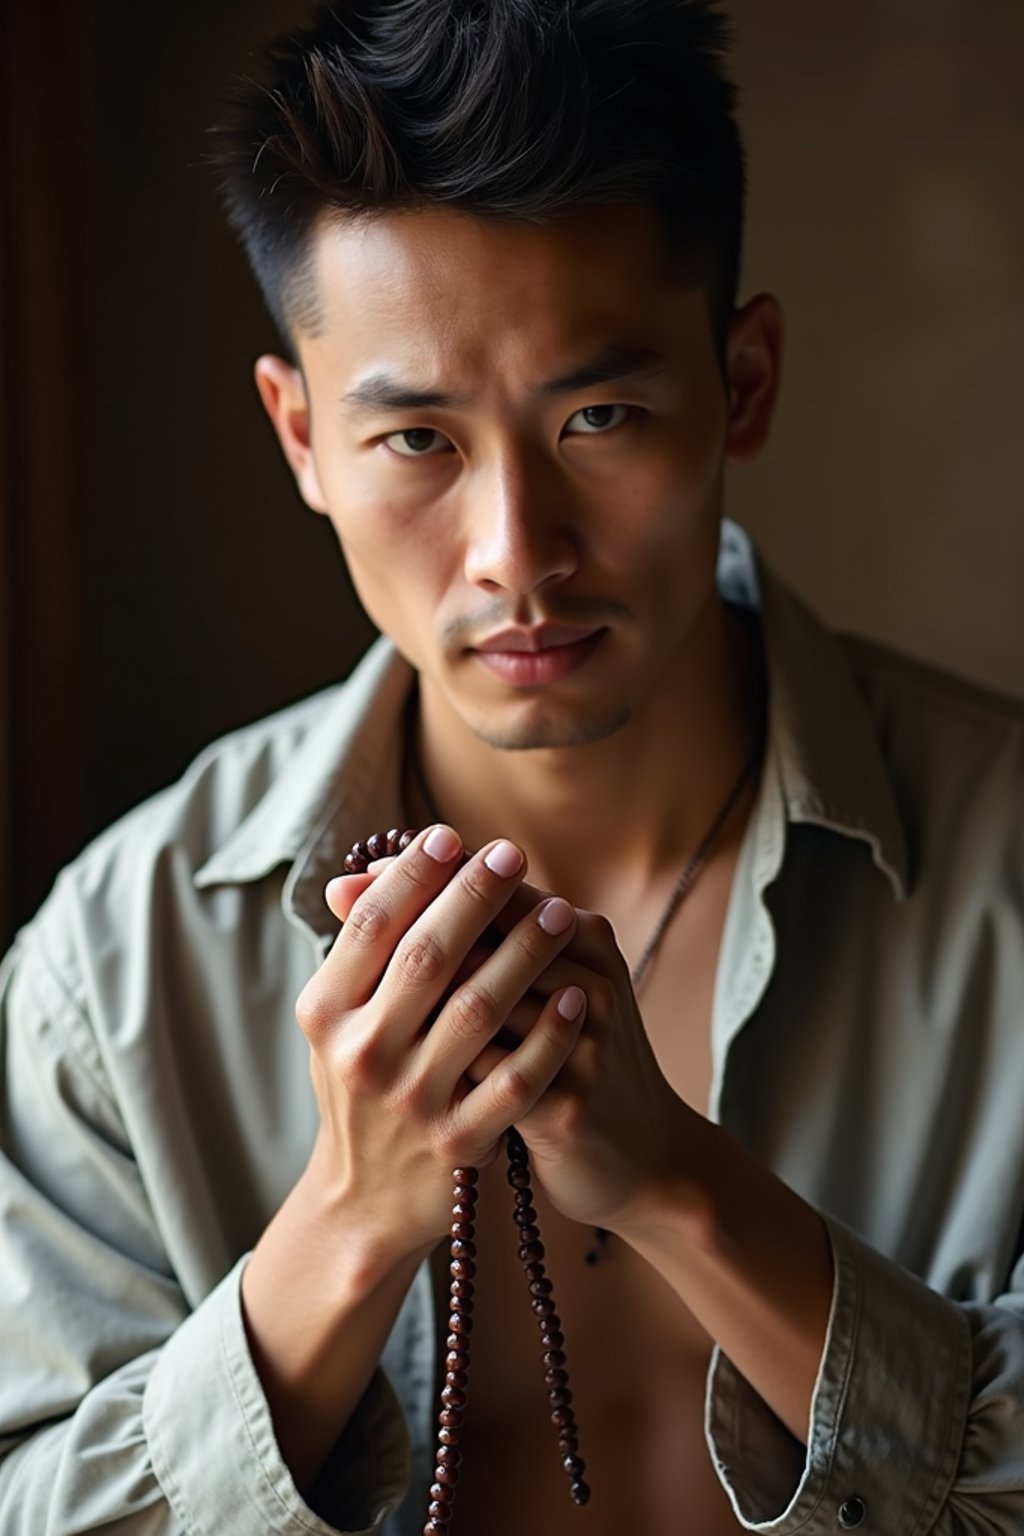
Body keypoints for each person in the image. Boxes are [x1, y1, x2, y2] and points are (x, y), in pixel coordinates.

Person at [2, 1, 1023, 1532]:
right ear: (299, 438)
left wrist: (680, 1185)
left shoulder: (1008, 878)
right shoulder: (115, 964)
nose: (516, 557)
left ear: (743, 382)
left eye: (599, 416)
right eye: (417, 441)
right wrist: (350, 1223)